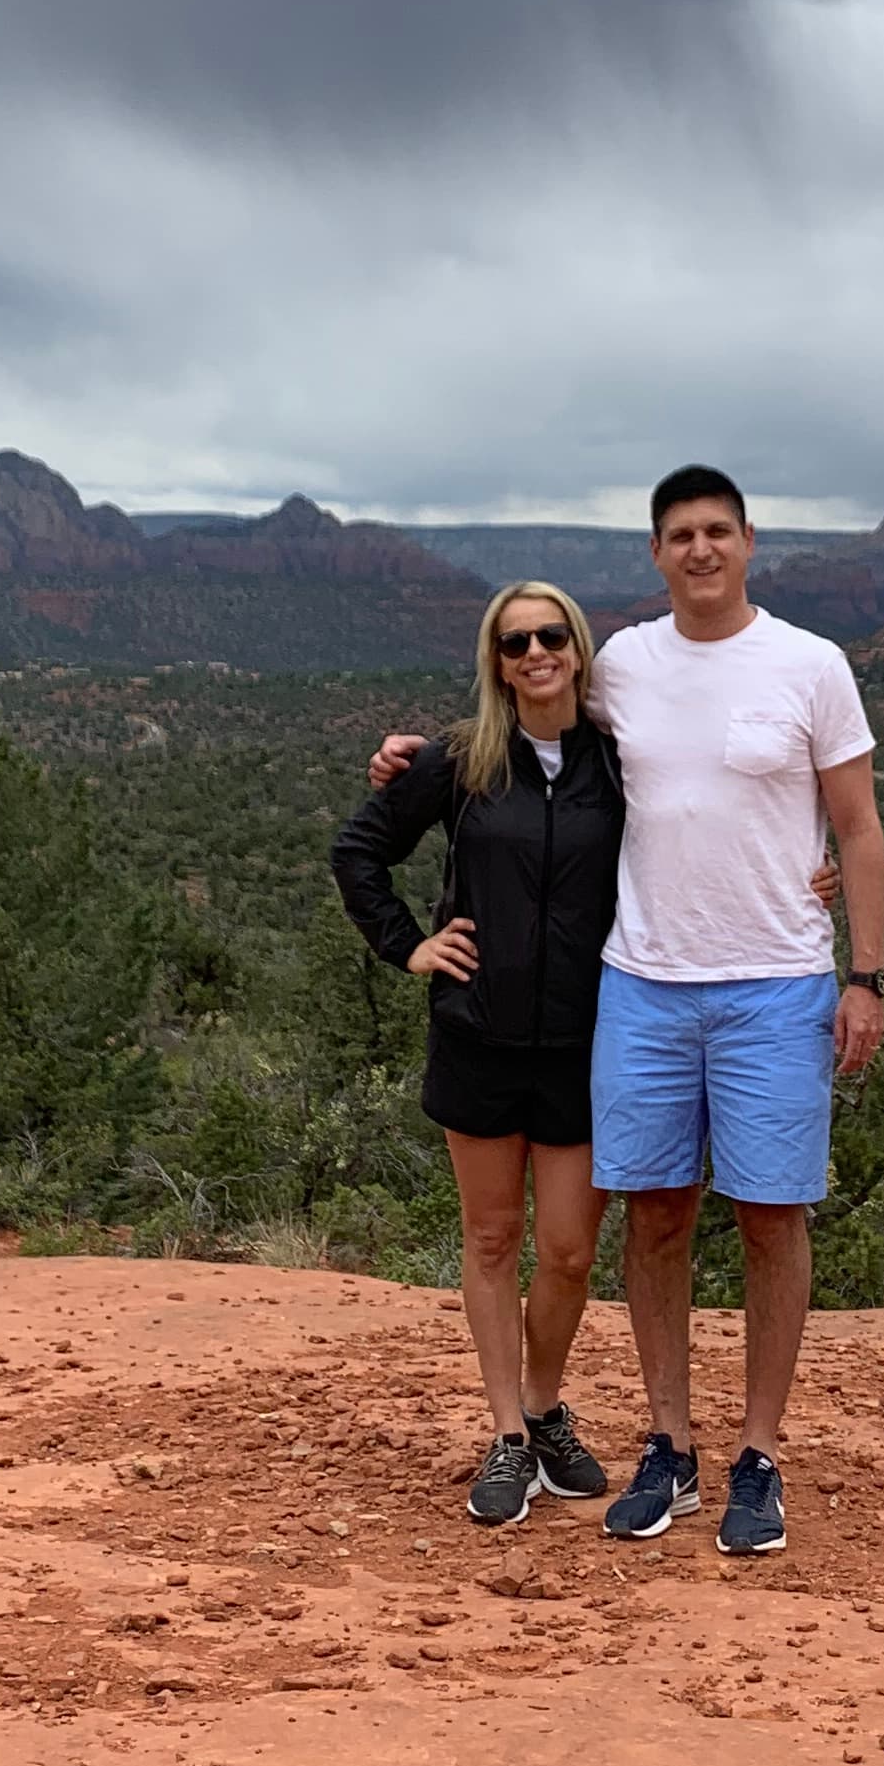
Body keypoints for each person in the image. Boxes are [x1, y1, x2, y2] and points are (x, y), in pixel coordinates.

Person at [375, 465, 884, 1558]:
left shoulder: (813, 664)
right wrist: (408, 762)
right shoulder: (627, 669)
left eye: (718, 532)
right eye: (680, 536)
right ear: (655, 555)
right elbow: (525, 719)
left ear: (751, 541)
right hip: (644, 989)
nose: (700, 550)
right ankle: (668, 1446)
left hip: (776, 983)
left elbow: (859, 828)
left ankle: (758, 1455)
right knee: (653, 1217)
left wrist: (866, 973)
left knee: (769, 1218)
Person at [330, 584, 620, 1527]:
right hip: (479, 1036)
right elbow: (358, 851)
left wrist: (803, 869)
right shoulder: (460, 762)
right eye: (514, 641)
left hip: (585, 1040)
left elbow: (712, 826)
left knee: (570, 1253)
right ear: (496, 661)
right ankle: (506, 1435)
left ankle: (544, 1407)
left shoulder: (618, 761)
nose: (535, 652)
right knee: (494, 1240)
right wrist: (409, 944)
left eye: (551, 636)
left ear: (577, 649)